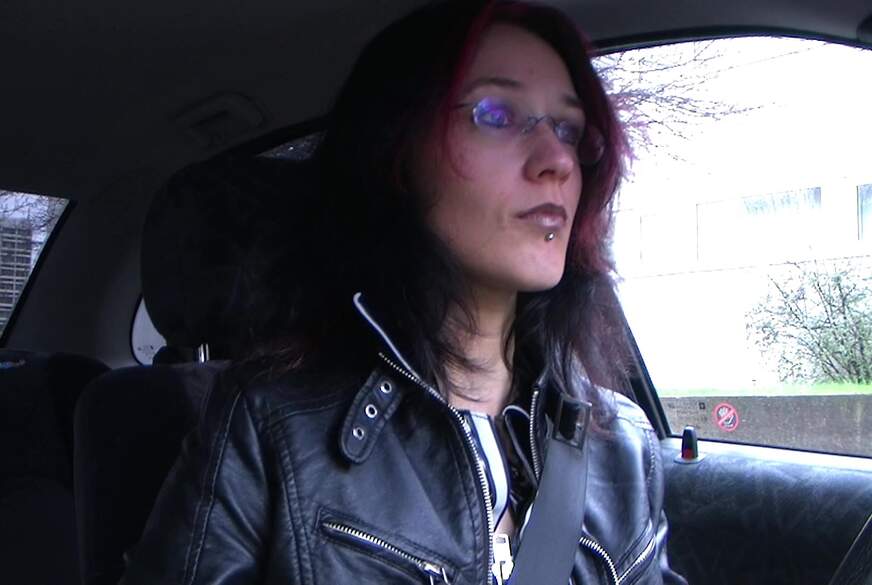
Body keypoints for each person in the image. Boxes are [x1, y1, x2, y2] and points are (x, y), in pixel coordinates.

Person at [121, 1, 687, 583]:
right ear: (395, 152)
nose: (557, 161)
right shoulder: (270, 426)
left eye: (569, 129)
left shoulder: (620, 445)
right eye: (496, 113)